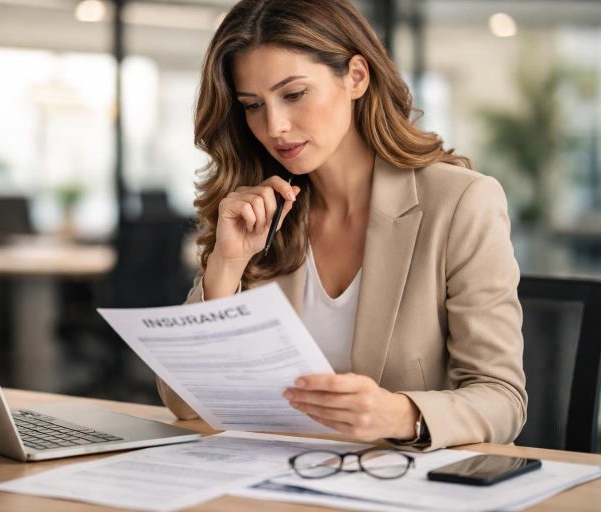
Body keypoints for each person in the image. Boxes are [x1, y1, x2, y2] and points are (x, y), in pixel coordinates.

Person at [156, 0, 526, 451]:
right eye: (253, 105)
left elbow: (503, 399)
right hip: (273, 478)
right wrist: (226, 269)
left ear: (356, 76)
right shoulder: (261, 214)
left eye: (293, 94)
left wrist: (398, 413)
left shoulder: (460, 202)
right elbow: (183, 404)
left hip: (396, 482)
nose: (275, 126)